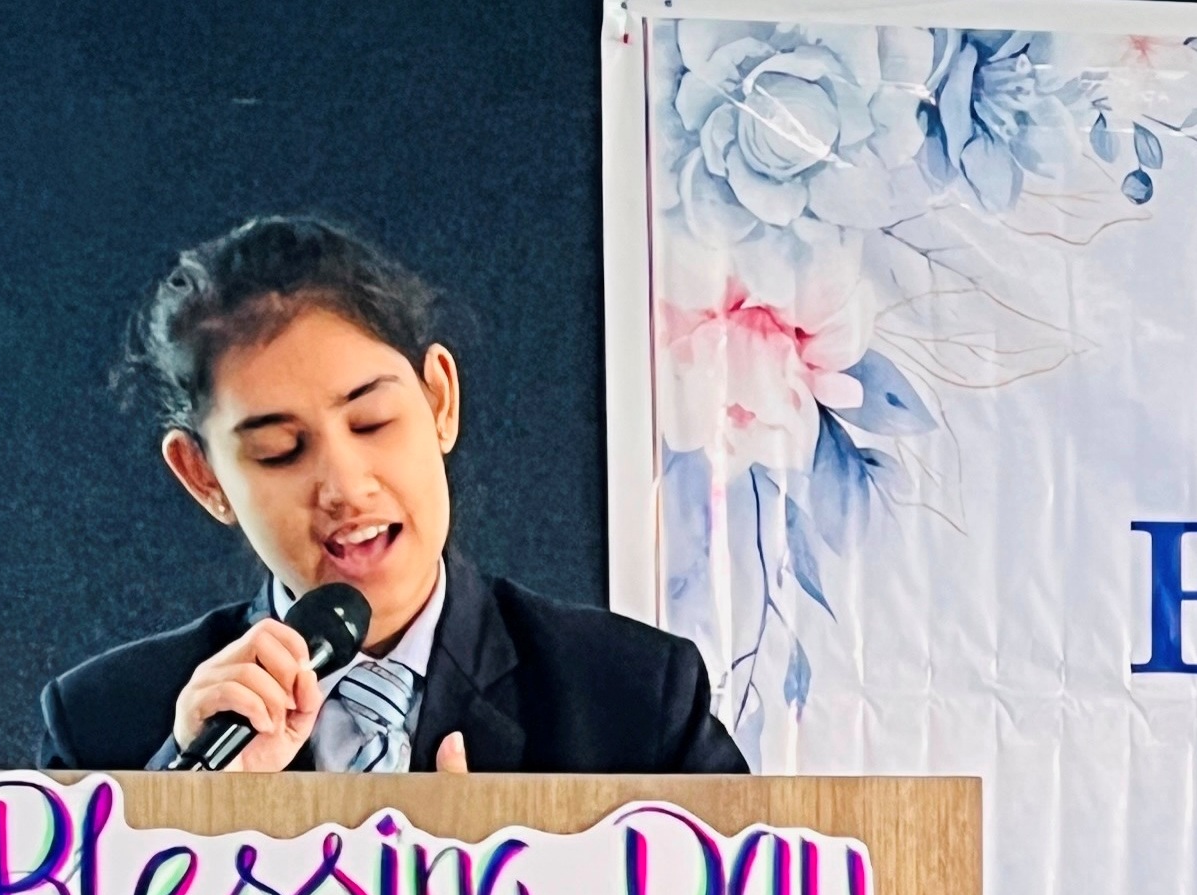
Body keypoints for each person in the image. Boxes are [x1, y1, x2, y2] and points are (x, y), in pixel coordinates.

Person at [37, 216, 745, 777]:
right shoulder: (103, 725)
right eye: (280, 450)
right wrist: (184, 806)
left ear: (439, 399)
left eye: (372, 421)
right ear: (204, 476)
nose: (347, 487)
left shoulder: (636, 700)